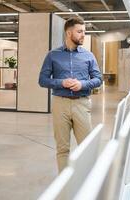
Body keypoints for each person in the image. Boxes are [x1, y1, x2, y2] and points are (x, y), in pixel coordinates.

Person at [38, 17, 102, 173]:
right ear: (68, 32)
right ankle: (64, 184)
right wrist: (61, 83)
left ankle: (88, 184)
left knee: (87, 146)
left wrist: (82, 84)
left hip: (82, 103)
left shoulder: (89, 56)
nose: (83, 35)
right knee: (62, 148)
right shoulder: (52, 55)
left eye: (84, 32)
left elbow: (98, 79)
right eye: (79, 31)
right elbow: (42, 80)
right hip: (60, 104)